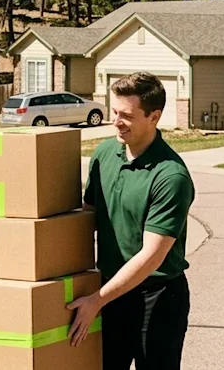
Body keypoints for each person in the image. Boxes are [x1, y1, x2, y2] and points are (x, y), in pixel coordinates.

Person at [68, 72, 196, 369]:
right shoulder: (104, 154)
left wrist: (96, 300)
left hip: (157, 297)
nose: (116, 121)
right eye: (114, 112)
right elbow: (86, 218)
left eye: (127, 115)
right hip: (109, 290)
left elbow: (151, 256)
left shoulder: (171, 176)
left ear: (154, 117)